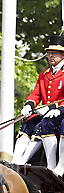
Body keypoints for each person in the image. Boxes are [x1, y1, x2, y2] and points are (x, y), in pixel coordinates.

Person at [11, 35, 64, 165]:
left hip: (60, 113)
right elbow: (36, 94)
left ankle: (25, 161)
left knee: (43, 125)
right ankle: (15, 161)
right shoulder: (44, 75)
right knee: (28, 122)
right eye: (49, 53)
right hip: (46, 114)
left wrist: (53, 108)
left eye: (54, 53)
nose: (51, 56)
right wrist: (29, 105)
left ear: (63, 55)